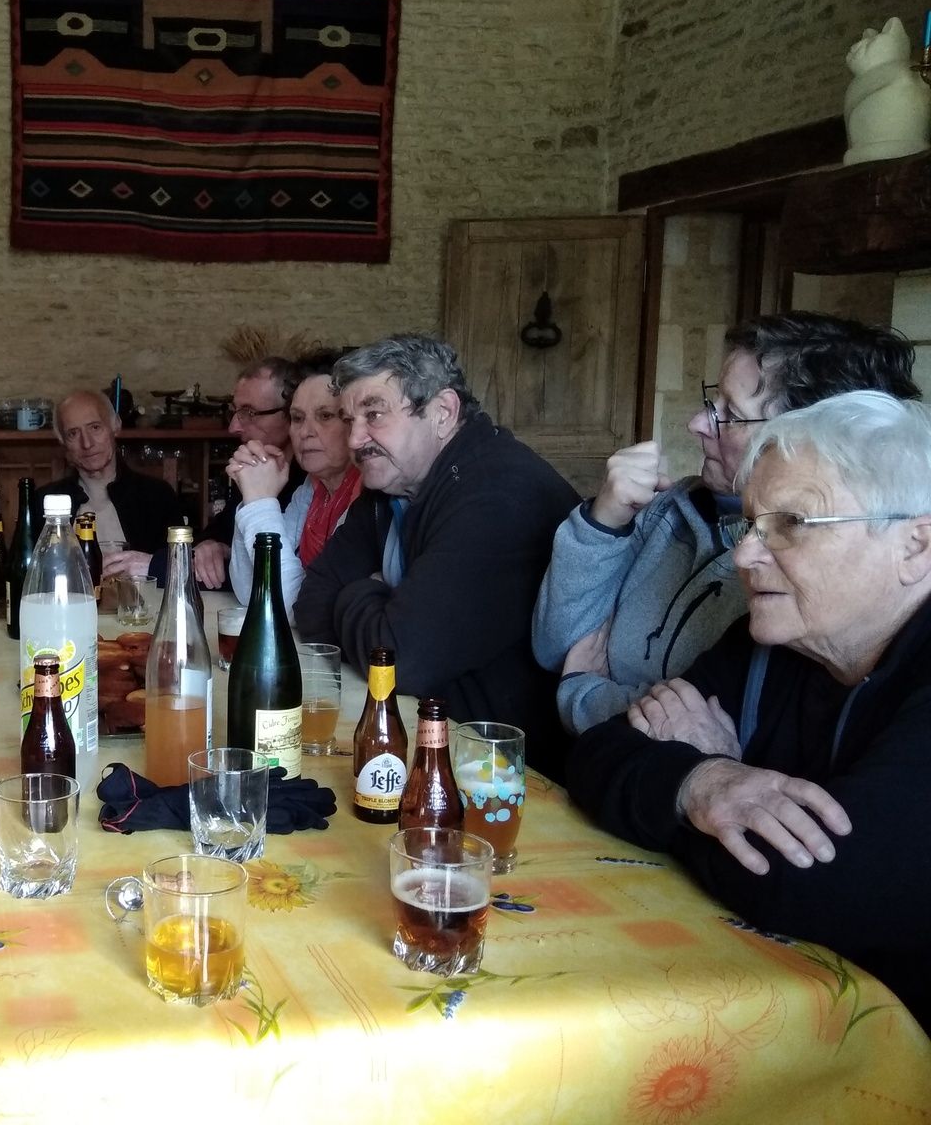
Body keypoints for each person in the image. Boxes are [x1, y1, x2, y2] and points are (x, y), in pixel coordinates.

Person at [565, 391, 931, 1028]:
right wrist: (703, 781)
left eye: (791, 524)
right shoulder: (774, 642)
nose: (743, 556)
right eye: (752, 524)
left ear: (915, 547)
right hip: (769, 1008)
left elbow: (814, 888)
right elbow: (596, 756)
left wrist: (679, 785)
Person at [534, 312, 919, 734]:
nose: (697, 424)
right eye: (712, 402)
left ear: (805, 436)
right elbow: (556, 647)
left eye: (730, 413)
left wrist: (583, 691)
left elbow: (699, 727)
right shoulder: (671, 508)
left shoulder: (791, 574)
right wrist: (605, 521)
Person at [295, 336, 578, 777]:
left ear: (442, 412)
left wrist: (358, 593)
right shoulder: (390, 484)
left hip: (510, 772)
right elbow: (311, 605)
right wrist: (383, 609)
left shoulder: (499, 491)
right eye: (350, 420)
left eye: (374, 414)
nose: (355, 439)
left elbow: (403, 660)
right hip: (433, 740)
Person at [103, 356, 304, 590]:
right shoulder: (258, 469)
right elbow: (217, 534)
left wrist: (156, 566)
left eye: (249, 412)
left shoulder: (307, 487)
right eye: (235, 412)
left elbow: (273, 581)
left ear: (291, 415)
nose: (233, 427)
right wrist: (214, 545)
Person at [227, 348, 361, 621]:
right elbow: (251, 590)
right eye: (298, 418)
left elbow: (296, 606)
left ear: (353, 422)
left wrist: (260, 504)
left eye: (325, 416)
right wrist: (251, 500)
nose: (305, 432)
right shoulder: (312, 489)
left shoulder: (365, 494)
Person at [33, 389, 184, 554]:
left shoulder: (158, 497)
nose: (87, 444)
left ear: (116, 425)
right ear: (62, 441)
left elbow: (178, 563)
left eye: (95, 427)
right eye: (73, 433)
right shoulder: (41, 503)